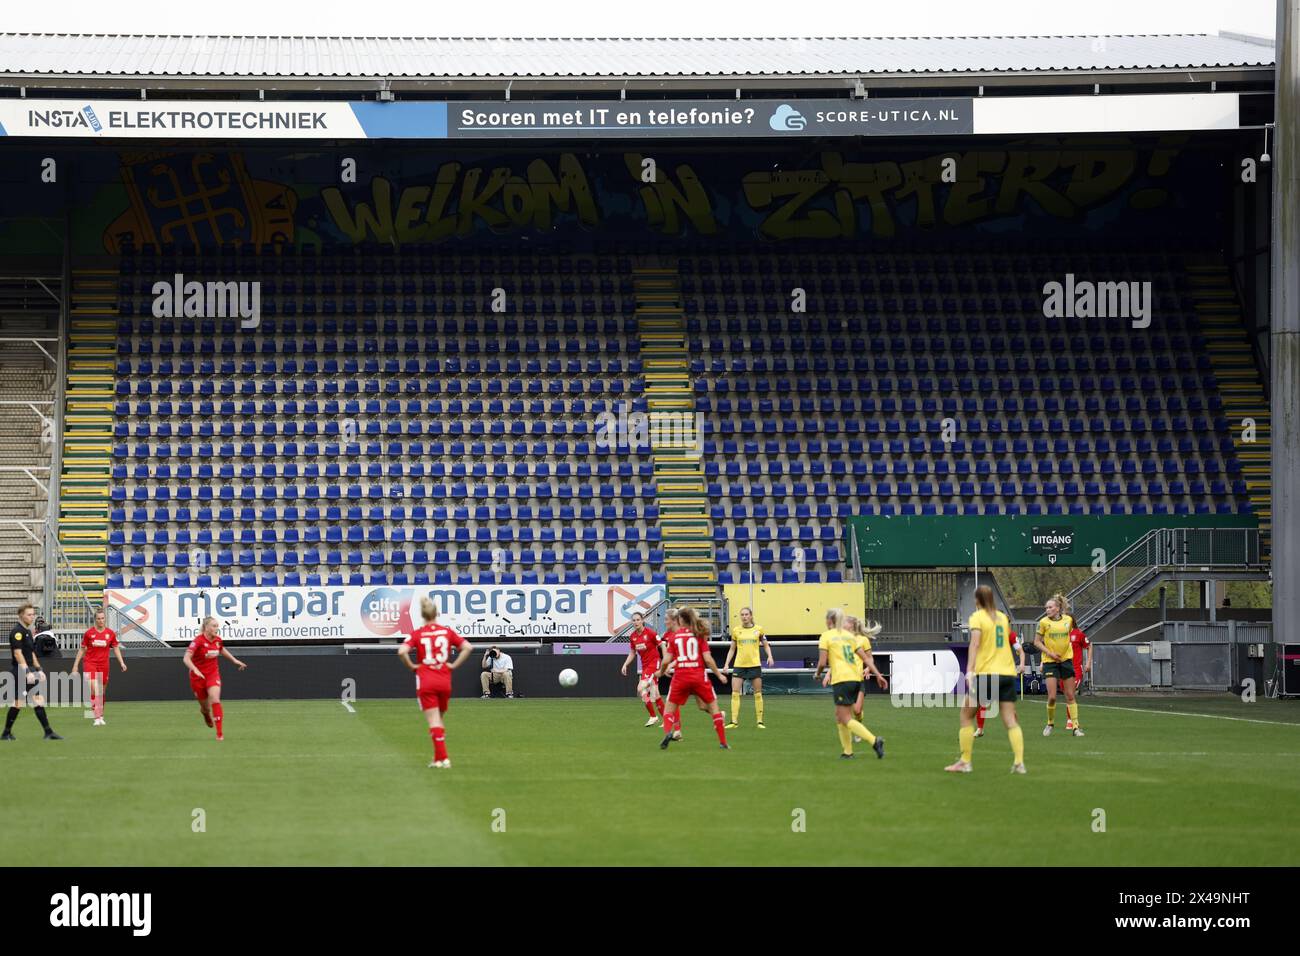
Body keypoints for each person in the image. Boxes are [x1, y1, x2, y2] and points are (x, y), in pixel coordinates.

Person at [945, 586, 1026, 774]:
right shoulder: (1003, 618)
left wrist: (970, 670)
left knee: (966, 715)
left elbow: (975, 643)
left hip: (987, 673)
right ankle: (1019, 762)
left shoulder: (977, 617)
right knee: (1009, 720)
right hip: (1007, 673)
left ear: (977, 600)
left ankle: (965, 762)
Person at [399, 597, 473, 769]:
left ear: (423, 615)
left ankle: (444, 758)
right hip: (444, 680)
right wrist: (453, 665)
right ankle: (438, 758)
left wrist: (412, 666)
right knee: (439, 720)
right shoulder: (447, 632)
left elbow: (402, 651)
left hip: (426, 681)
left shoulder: (418, 633)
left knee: (434, 721)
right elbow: (468, 647)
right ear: (436, 613)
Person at [814, 608, 885, 759]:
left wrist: (818, 674)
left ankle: (874, 741)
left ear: (829, 621)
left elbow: (821, 662)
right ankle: (847, 752)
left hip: (842, 679)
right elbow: (866, 659)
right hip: (855, 679)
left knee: (845, 718)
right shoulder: (849, 636)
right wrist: (878, 674)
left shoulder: (826, 636)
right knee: (839, 716)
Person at [656, 606, 729, 750]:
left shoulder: (674, 637)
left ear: (680, 620)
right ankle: (723, 742)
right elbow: (708, 659)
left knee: (669, 710)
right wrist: (719, 675)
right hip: (698, 677)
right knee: (714, 708)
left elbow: (665, 660)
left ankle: (668, 732)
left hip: (680, 677)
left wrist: (661, 671)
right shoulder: (699, 634)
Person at [2, 603, 61, 741]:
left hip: (28, 670)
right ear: (21, 615)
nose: (32, 617)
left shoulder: (28, 632)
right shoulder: (17, 632)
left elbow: (31, 653)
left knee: (37, 700)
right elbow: (18, 654)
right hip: (20, 671)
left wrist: (39, 669)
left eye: (33, 614)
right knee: (19, 703)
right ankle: (6, 733)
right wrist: (27, 671)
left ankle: (48, 732)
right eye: (29, 614)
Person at [183, 617, 247, 741]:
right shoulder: (198, 641)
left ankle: (219, 734)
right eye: (213, 626)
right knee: (205, 707)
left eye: (217, 626)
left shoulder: (217, 640)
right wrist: (195, 669)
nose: (216, 628)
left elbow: (221, 649)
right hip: (197, 677)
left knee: (215, 698)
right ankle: (206, 714)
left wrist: (234, 660)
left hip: (212, 674)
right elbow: (186, 658)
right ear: (206, 627)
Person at [1033, 593, 1083, 737]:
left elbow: (1067, 639)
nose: (1047, 610)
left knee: (1070, 695)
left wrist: (1065, 651)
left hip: (1066, 661)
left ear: (1057, 608)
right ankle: (1050, 723)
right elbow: (1036, 642)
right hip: (1050, 662)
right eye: (1046, 607)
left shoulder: (1068, 620)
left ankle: (1075, 727)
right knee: (1053, 696)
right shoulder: (1043, 622)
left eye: (1050, 607)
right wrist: (1050, 654)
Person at [71, 609, 127, 726]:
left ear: (105, 619)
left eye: (102, 618)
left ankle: (100, 715)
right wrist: (75, 665)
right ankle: (96, 717)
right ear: (95, 620)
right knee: (95, 689)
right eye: (98, 619)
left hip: (104, 664)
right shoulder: (89, 634)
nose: (101, 621)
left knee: (101, 692)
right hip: (90, 663)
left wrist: (121, 662)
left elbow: (116, 648)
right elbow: (82, 649)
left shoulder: (110, 633)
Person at [722, 606, 774, 730]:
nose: (744, 617)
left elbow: (766, 645)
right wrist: (726, 663)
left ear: (751, 616)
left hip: (754, 665)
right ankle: (734, 722)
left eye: (746, 614)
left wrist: (770, 656)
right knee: (735, 693)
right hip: (739, 665)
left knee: (757, 693)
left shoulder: (758, 630)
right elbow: (732, 649)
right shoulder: (736, 631)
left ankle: (760, 721)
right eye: (742, 615)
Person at [845, 614, 889, 742]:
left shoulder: (863, 640)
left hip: (859, 679)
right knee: (848, 711)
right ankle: (854, 731)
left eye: (846, 623)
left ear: (852, 625)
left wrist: (868, 668)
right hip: (846, 679)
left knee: (857, 711)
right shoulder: (843, 640)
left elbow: (869, 658)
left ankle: (858, 726)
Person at [975, 628, 1025, 737]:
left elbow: (1020, 650)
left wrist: (1021, 664)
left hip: (1004, 672)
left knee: (1007, 704)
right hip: (987, 670)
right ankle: (980, 728)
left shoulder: (1010, 634)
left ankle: (1015, 729)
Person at [620, 611, 666, 726]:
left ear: (642, 620)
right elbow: (632, 652)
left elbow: (662, 645)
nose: (636, 622)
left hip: (654, 664)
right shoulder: (633, 637)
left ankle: (653, 716)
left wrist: (665, 660)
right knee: (655, 694)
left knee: (640, 688)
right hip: (645, 666)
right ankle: (667, 719)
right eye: (634, 620)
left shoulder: (650, 633)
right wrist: (625, 664)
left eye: (638, 620)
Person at [1066, 625, 1092, 728]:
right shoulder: (1060, 633)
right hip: (1064, 668)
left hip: (1076, 669)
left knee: (1070, 693)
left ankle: (1071, 721)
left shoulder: (1078, 634)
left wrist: (1088, 663)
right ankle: (1070, 720)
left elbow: (1089, 646)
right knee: (1067, 694)